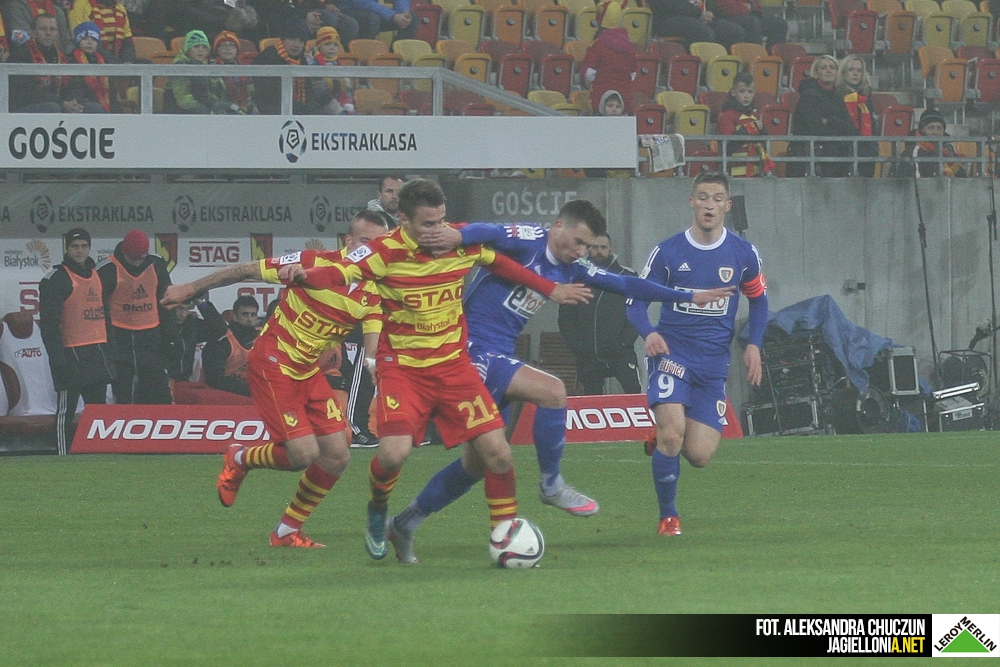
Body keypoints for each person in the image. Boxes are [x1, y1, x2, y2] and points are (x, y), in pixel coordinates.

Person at [380, 200, 734, 564]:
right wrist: (459, 234)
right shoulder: (529, 238)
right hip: (472, 351)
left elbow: (627, 283)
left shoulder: (573, 267)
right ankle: (551, 484)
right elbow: (491, 232)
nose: (581, 252)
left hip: (497, 355)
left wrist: (687, 295)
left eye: (587, 246)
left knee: (477, 465)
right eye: (578, 241)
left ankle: (405, 522)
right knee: (552, 391)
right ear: (558, 226)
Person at [281, 179, 593, 562]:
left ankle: (506, 538)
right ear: (403, 220)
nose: (438, 230)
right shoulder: (383, 252)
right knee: (393, 456)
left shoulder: (456, 243)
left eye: (441, 221)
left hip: (453, 367)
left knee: (498, 454)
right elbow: (339, 272)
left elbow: (501, 264)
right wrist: (304, 275)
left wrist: (549, 288)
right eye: (428, 224)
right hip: (404, 370)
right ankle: (378, 509)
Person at [160, 210, 389, 548]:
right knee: (302, 455)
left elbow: (372, 332)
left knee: (337, 456)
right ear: (347, 240)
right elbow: (243, 270)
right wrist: (190, 288)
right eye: (364, 242)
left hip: (307, 371)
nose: (370, 251)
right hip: (274, 363)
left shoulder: (373, 288)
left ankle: (285, 531)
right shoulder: (311, 262)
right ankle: (239, 458)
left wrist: (372, 362)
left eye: (378, 246)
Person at [626, 171, 768, 537]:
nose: (709, 205)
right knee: (674, 436)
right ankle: (668, 517)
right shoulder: (669, 252)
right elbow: (635, 302)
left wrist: (754, 344)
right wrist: (649, 333)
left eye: (717, 199)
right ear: (691, 202)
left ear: (727, 206)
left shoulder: (743, 253)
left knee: (700, 456)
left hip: (713, 365)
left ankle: (660, 435)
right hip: (671, 356)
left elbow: (758, 300)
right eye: (703, 197)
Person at [38, 227, 116, 455]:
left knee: (97, 412)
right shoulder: (56, 279)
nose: (80, 251)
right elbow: (49, 325)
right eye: (74, 246)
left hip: (97, 352)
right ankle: (61, 455)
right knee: (66, 411)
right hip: (70, 354)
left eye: (84, 246)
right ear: (67, 248)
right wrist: (57, 358)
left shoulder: (98, 275)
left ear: (89, 247)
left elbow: (105, 315)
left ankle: (97, 454)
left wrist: (110, 350)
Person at [558, 232, 642, 396]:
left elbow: (637, 310)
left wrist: (624, 342)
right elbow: (566, 317)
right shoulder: (576, 278)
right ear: (588, 249)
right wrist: (577, 347)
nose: (599, 251)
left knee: (635, 395)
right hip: (588, 355)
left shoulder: (627, 276)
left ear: (611, 249)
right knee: (591, 400)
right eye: (595, 247)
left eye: (603, 247)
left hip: (620, 353)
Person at [97, 229, 175, 404]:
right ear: (124, 252)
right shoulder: (107, 269)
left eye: (141, 259)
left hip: (151, 337)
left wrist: (170, 336)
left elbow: (167, 301)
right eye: (133, 259)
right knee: (123, 394)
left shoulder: (156, 264)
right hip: (119, 337)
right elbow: (98, 308)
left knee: (159, 393)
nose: (138, 263)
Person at [788, 55, 857, 177]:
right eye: (823, 68)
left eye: (832, 67)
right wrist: (838, 127)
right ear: (816, 72)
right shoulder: (809, 96)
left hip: (833, 156)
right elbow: (815, 128)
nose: (828, 70)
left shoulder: (837, 97)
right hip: (809, 157)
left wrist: (829, 121)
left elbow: (850, 129)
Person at [7, 13, 84, 113]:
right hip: (25, 107)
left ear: (57, 34)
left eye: (52, 29)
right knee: (53, 108)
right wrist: (62, 103)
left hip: (58, 103)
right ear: (34, 32)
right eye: (43, 29)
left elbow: (75, 84)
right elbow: (25, 90)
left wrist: (72, 101)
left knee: (93, 108)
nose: (48, 33)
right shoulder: (20, 54)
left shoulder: (64, 56)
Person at [581, 1, 636, 115]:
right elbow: (633, 74)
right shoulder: (629, 47)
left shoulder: (598, 45)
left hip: (601, 97)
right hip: (625, 99)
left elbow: (588, 73)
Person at [717, 72, 774, 177]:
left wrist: (763, 131)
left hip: (755, 172)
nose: (746, 96)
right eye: (742, 91)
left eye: (750, 92)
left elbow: (765, 143)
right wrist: (748, 129)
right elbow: (727, 147)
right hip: (733, 173)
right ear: (733, 92)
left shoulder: (755, 115)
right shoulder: (728, 115)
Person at [202, 295, 259, 397]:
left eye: (253, 315)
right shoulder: (222, 340)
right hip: (221, 396)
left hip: (253, 395)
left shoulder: (262, 340)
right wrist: (252, 390)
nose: (249, 319)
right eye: (245, 314)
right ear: (235, 316)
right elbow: (214, 379)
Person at [252, 17, 311, 115]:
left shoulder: (303, 60)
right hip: (271, 111)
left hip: (298, 108)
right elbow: (270, 94)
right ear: (283, 39)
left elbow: (311, 91)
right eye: (292, 39)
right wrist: (305, 109)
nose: (296, 45)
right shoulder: (268, 57)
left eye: (301, 41)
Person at [165, 29, 230, 114]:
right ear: (188, 49)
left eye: (204, 47)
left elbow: (210, 96)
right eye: (196, 46)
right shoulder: (179, 67)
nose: (200, 50)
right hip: (179, 114)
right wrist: (208, 113)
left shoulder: (208, 66)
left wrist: (224, 106)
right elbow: (183, 100)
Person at [836, 55, 877, 177]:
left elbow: (872, 125)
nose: (855, 74)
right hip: (843, 148)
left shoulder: (865, 96)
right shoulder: (836, 94)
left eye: (859, 70)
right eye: (851, 70)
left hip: (867, 148)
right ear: (843, 72)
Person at [900, 106, 968, 178]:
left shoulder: (948, 149)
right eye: (931, 128)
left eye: (939, 128)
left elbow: (962, 176)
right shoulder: (913, 151)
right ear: (922, 130)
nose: (936, 132)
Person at [647, 0, 745, 49]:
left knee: (734, 32)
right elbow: (668, 3)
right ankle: (695, 68)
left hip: (698, 16)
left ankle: (719, 69)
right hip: (669, 17)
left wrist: (710, 12)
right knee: (704, 33)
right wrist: (698, 14)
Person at [65, 21, 115, 113]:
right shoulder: (70, 60)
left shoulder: (104, 61)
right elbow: (73, 88)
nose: (90, 43)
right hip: (80, 102)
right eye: (85, 39)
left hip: (103, 102)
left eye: (93, 39)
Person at [68, 0, 138, 62]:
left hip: (117, 60)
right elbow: (83, 41)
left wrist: (128, 62)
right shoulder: (80, 6)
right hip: (91, 58)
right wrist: (116, 64)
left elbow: (127, 40)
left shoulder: (120, 8)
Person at [305, 26, 351, 114]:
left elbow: (348, 89)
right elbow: (319, 93)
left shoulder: (339, 64)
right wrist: (339, 111)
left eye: (335, 45)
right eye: (327, 44)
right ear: (319, 46)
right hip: (320, 108)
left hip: (340, 106)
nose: (332, 48)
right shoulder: (313, 64)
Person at [2, 0, 75, 55]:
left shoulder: (58, 11)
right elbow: (20, 36)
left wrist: (72, 55)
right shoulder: (17, 6)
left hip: (56, 56)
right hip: (27, 56)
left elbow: (65, 40)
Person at [213, 30, 258, 115]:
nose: (228, 49)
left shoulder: (243, 68)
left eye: (231, 45)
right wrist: (232, 107)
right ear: (217, 49)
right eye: (223, 45)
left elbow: (251, 92)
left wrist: (248, 106)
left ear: (237, 49)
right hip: (222, 110)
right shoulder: (212, 68)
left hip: (244, 107)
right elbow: (213, 97)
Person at [708, 0, 786, 48]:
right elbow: (726, 8)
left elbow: (756, 6)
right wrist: (747, 7)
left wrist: (750, 7)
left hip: (749, 15)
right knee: (752, 22)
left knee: (779, 24)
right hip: (727, 17)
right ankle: (755, 60)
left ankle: (773, 63)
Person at [335, 0, 416, 42]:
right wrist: (392, 16)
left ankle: (396, 59)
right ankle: (363, 59)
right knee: (372, 19)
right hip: (346, 10)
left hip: (372, 11)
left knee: (412, 19)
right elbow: (361, 2)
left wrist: (403, 12)